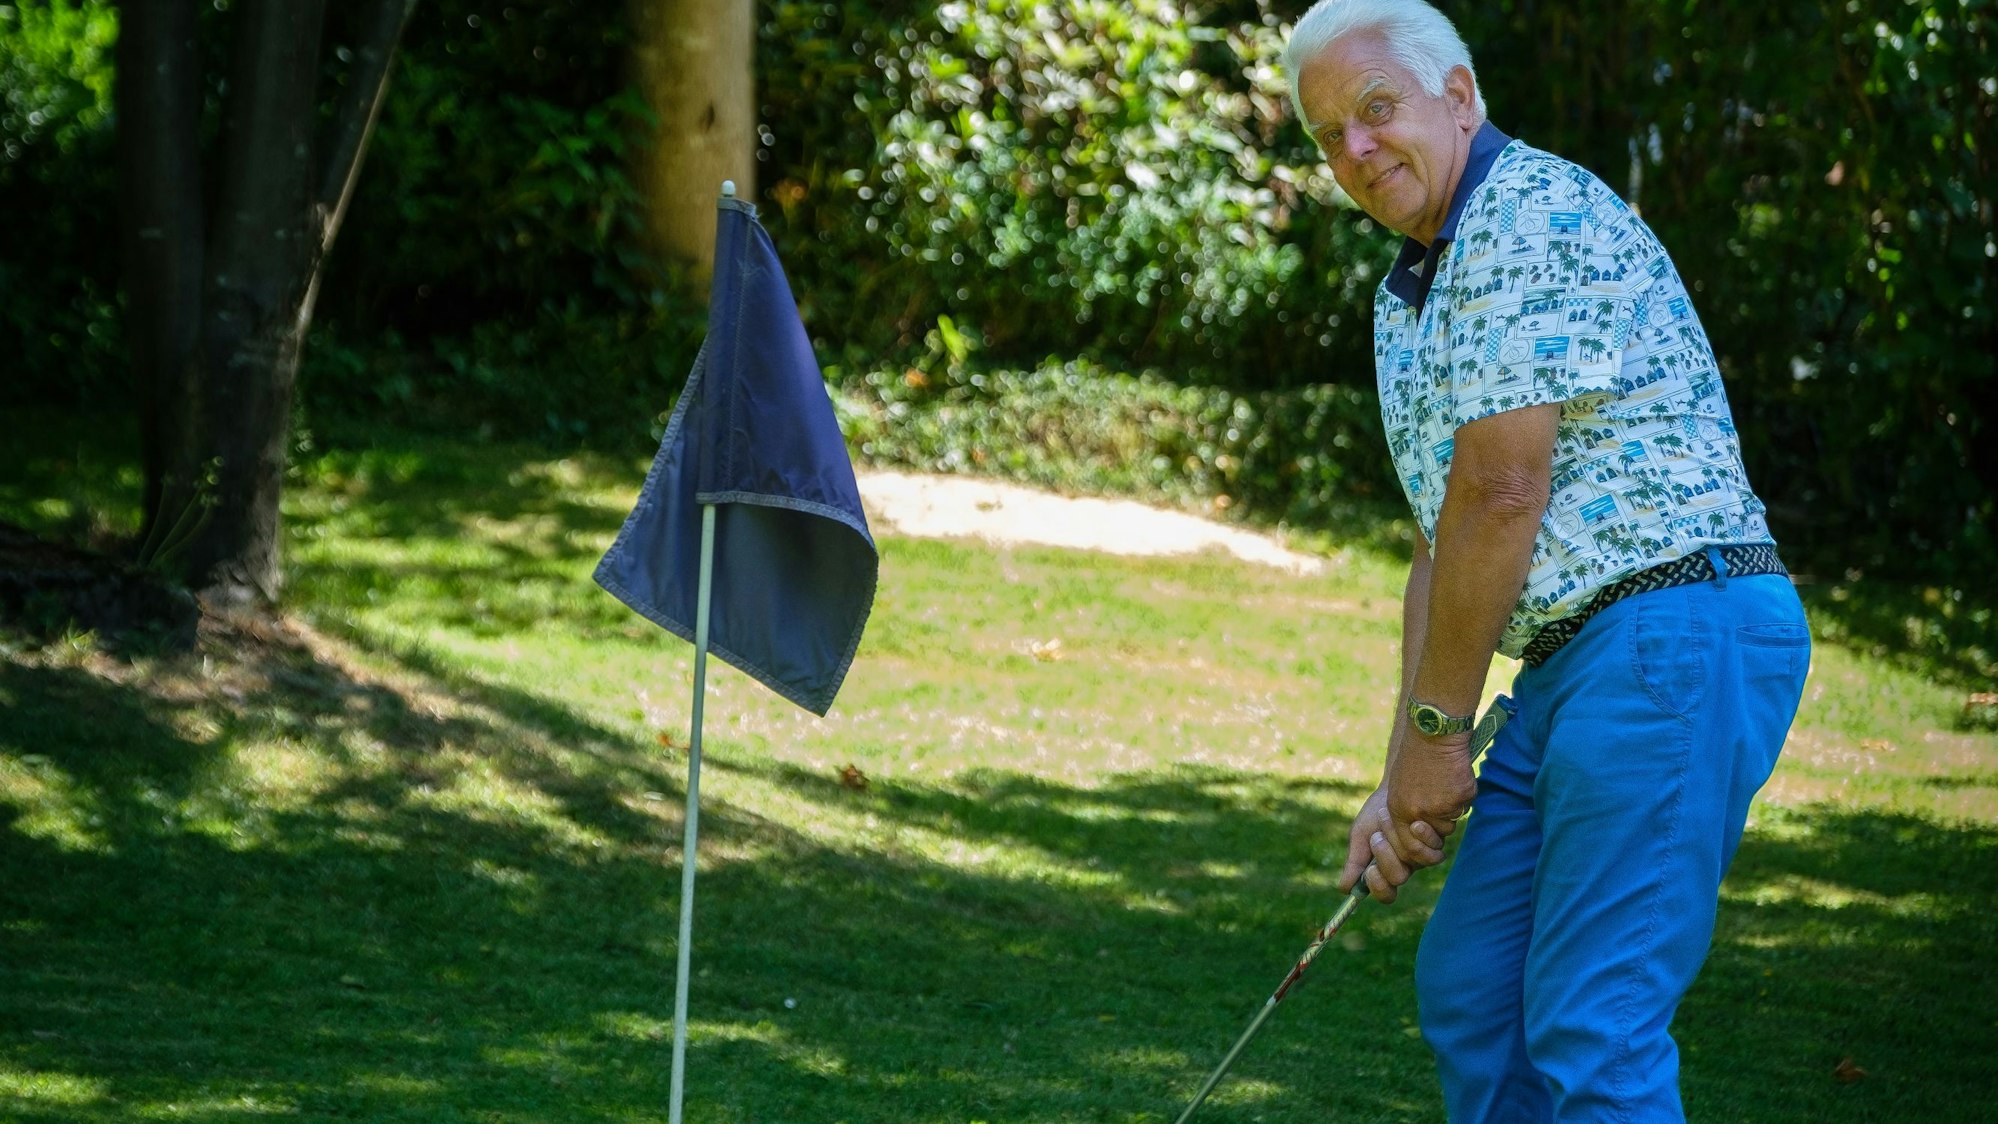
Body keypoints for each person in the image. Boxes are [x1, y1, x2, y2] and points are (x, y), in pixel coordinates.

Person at [1280, 1, 1812, 1119]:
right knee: (1475, 988)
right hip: (1572, 662)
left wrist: (1439, 741)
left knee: (1593, 1020)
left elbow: (1503, 490)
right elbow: (1442, 538)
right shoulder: (1407, 293)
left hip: (1677, 627)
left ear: (1459, 96)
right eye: (1331, 135)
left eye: (1377, 110)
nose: (1358, 149)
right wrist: (1404, 771)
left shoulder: (1528, 211)